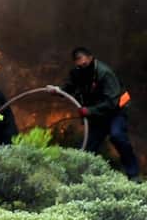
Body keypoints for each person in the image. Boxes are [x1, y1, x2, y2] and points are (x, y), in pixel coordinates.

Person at [54, 47, 138, 179]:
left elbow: (112, 102)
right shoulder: (78, 73)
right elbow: (68, 88)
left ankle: (134, 175)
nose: (82, 67)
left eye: (85, 64)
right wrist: (57, 90)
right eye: (79, 65)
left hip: (115, 113)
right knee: (88, 146)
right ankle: (78, 178)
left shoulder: (104, 73)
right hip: (98, 115)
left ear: (91, 58)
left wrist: (90, 110)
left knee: (117, 136)